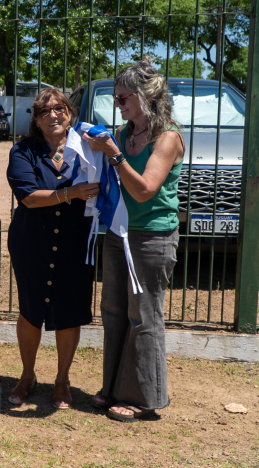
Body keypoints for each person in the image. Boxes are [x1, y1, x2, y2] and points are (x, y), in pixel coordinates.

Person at [84, 57, 184, 423]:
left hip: (152, 237)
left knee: (144, 317)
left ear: (148, 95)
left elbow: (143, 190)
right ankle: (113, 388)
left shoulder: (168, 137)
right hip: (118, 231)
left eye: (125, 97)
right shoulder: (124, 132)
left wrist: (113, 155)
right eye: (117, 96)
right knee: (113, 312)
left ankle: (143, 397)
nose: (118, 103)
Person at [5, 88, 100, 409]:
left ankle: (62, 381)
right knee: (31, 310)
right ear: (35, 119)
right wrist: (70, 193)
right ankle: (27, 375)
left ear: (70, 113)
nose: (53, 115)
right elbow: (29, 197)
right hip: (32, 240)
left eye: (59, 108)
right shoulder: (23, 151)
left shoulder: (88, 147)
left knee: (68, 311)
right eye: (44, 111)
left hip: (75, 240)